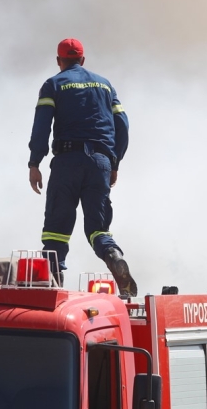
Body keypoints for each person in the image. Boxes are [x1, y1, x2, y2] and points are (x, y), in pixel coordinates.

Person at [27, 38, 137, 297]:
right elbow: (122, 125)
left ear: (59, 61)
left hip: (67, 161)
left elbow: (41, 126)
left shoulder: (54, 84)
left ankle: (53, 284)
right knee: (98, 228)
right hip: (100, 163)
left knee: (57, 226)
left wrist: (35, 162)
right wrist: (114, 162)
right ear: (83, 60)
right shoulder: (105, 85)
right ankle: (112, 254)